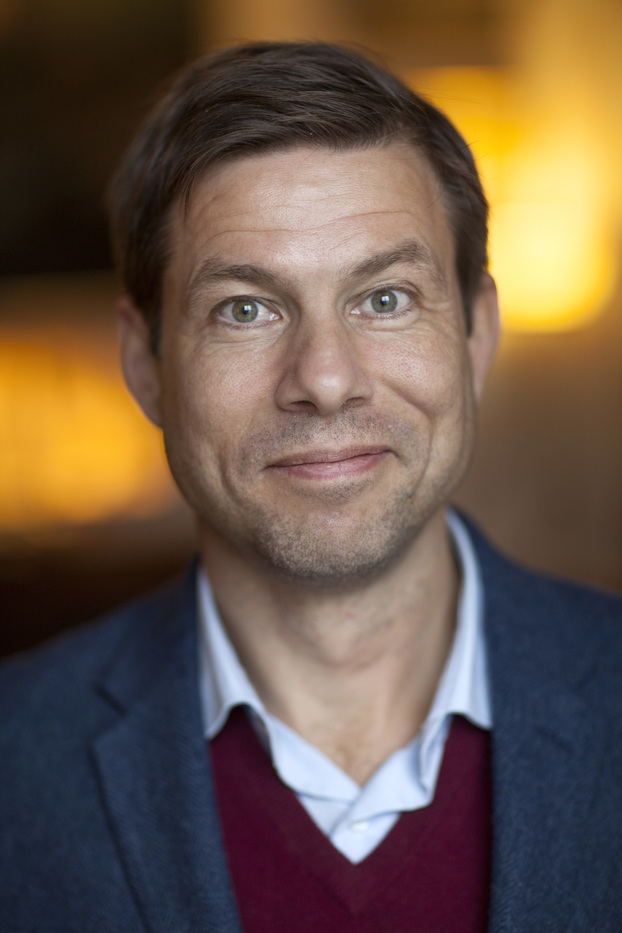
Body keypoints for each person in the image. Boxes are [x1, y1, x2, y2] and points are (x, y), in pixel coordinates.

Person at [1, 42, 622, 933]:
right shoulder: (15, 762)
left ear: (477, 334)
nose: (326, 380)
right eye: (246, 309)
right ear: (145, 362)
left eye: (386, 299)